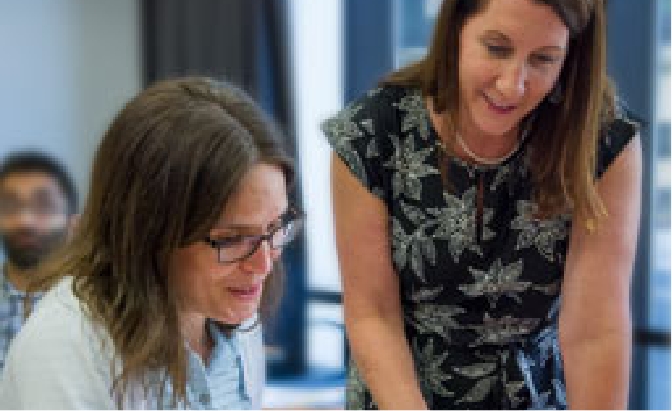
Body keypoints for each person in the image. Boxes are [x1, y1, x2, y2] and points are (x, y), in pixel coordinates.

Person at [323, 0, 641, 409]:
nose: (513, 85)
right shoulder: (373, 135)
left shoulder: (600, 141)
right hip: (403, 392)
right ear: (455, 29)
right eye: (496, 48)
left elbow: (594, 329)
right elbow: (373, 316)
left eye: (543, 60)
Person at [0, 77, 302, 409]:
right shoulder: (65, 349)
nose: (264, 264)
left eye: (275, 228)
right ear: (149, 231)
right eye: (231, 239)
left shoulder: (235, 314)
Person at [0, 151, 78, 370]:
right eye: (9, 206)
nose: (25, 220)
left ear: (74, 225)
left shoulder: (101, 307)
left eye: (43, 206)